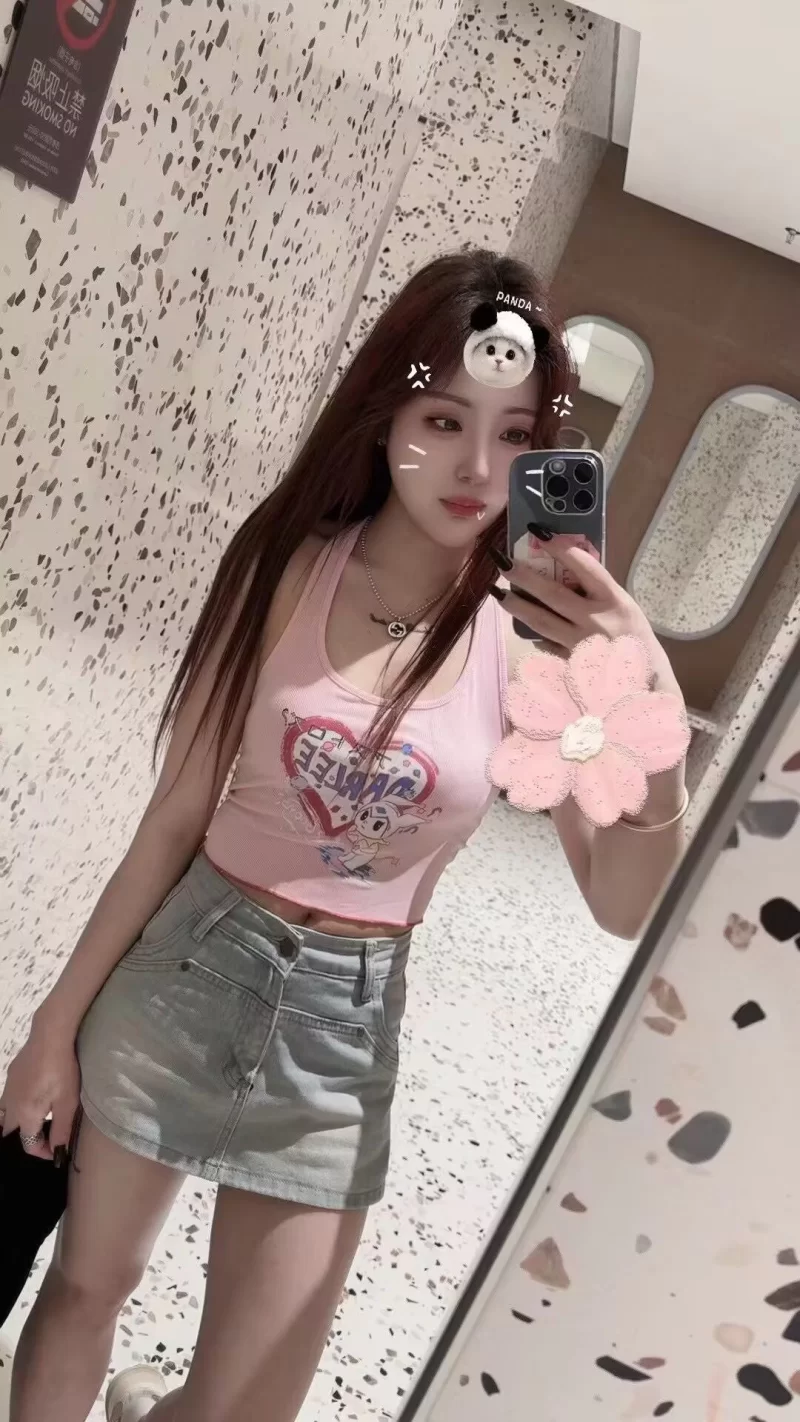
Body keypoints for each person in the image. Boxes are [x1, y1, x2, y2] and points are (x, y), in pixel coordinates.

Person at [0, 249, 688, 1422]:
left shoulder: (533, 656)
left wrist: (645, 705)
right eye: (442, 420)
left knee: (249, 1406)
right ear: (385, 417)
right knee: (86, 1289)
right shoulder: (289, 572)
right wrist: (51, 1030)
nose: (475, 469)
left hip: (341, 1039)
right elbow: (174, 816)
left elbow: (624, 903)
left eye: (515, 436)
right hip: (185, 975)